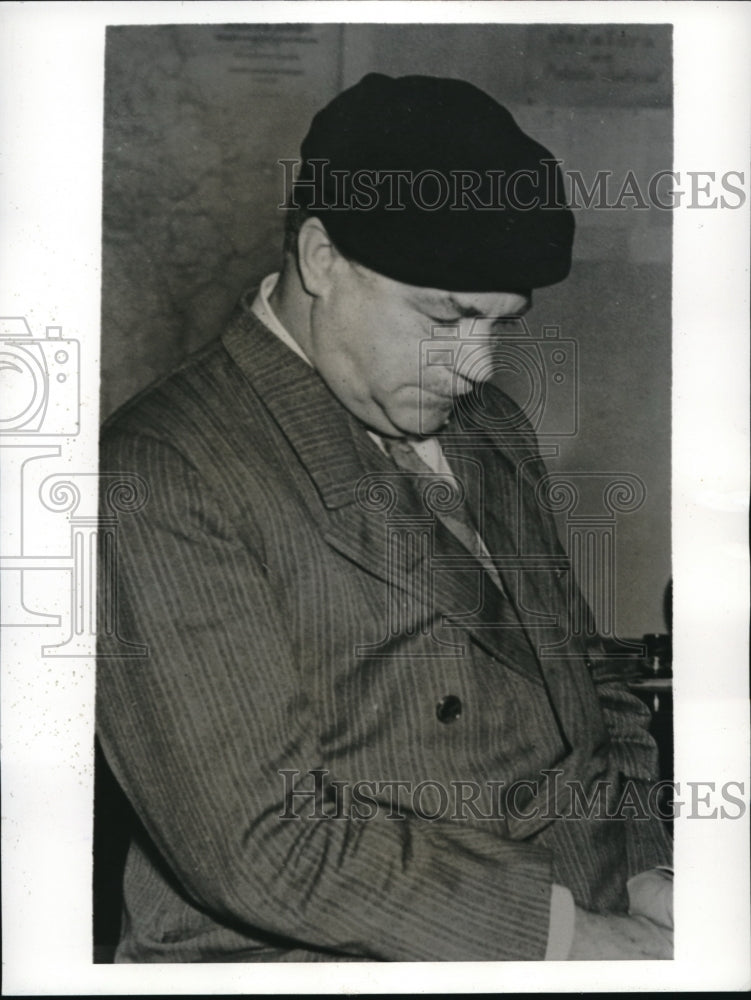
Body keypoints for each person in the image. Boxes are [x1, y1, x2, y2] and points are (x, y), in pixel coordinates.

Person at [97, 73, 673, 962]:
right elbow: (264, 846)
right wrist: (573, 942)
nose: (476, 366)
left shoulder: (488, 430)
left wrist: (645, 870)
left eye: (498, 322)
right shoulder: (164, 473)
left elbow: (586, 678)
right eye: (445, 316)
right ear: (322, 258)